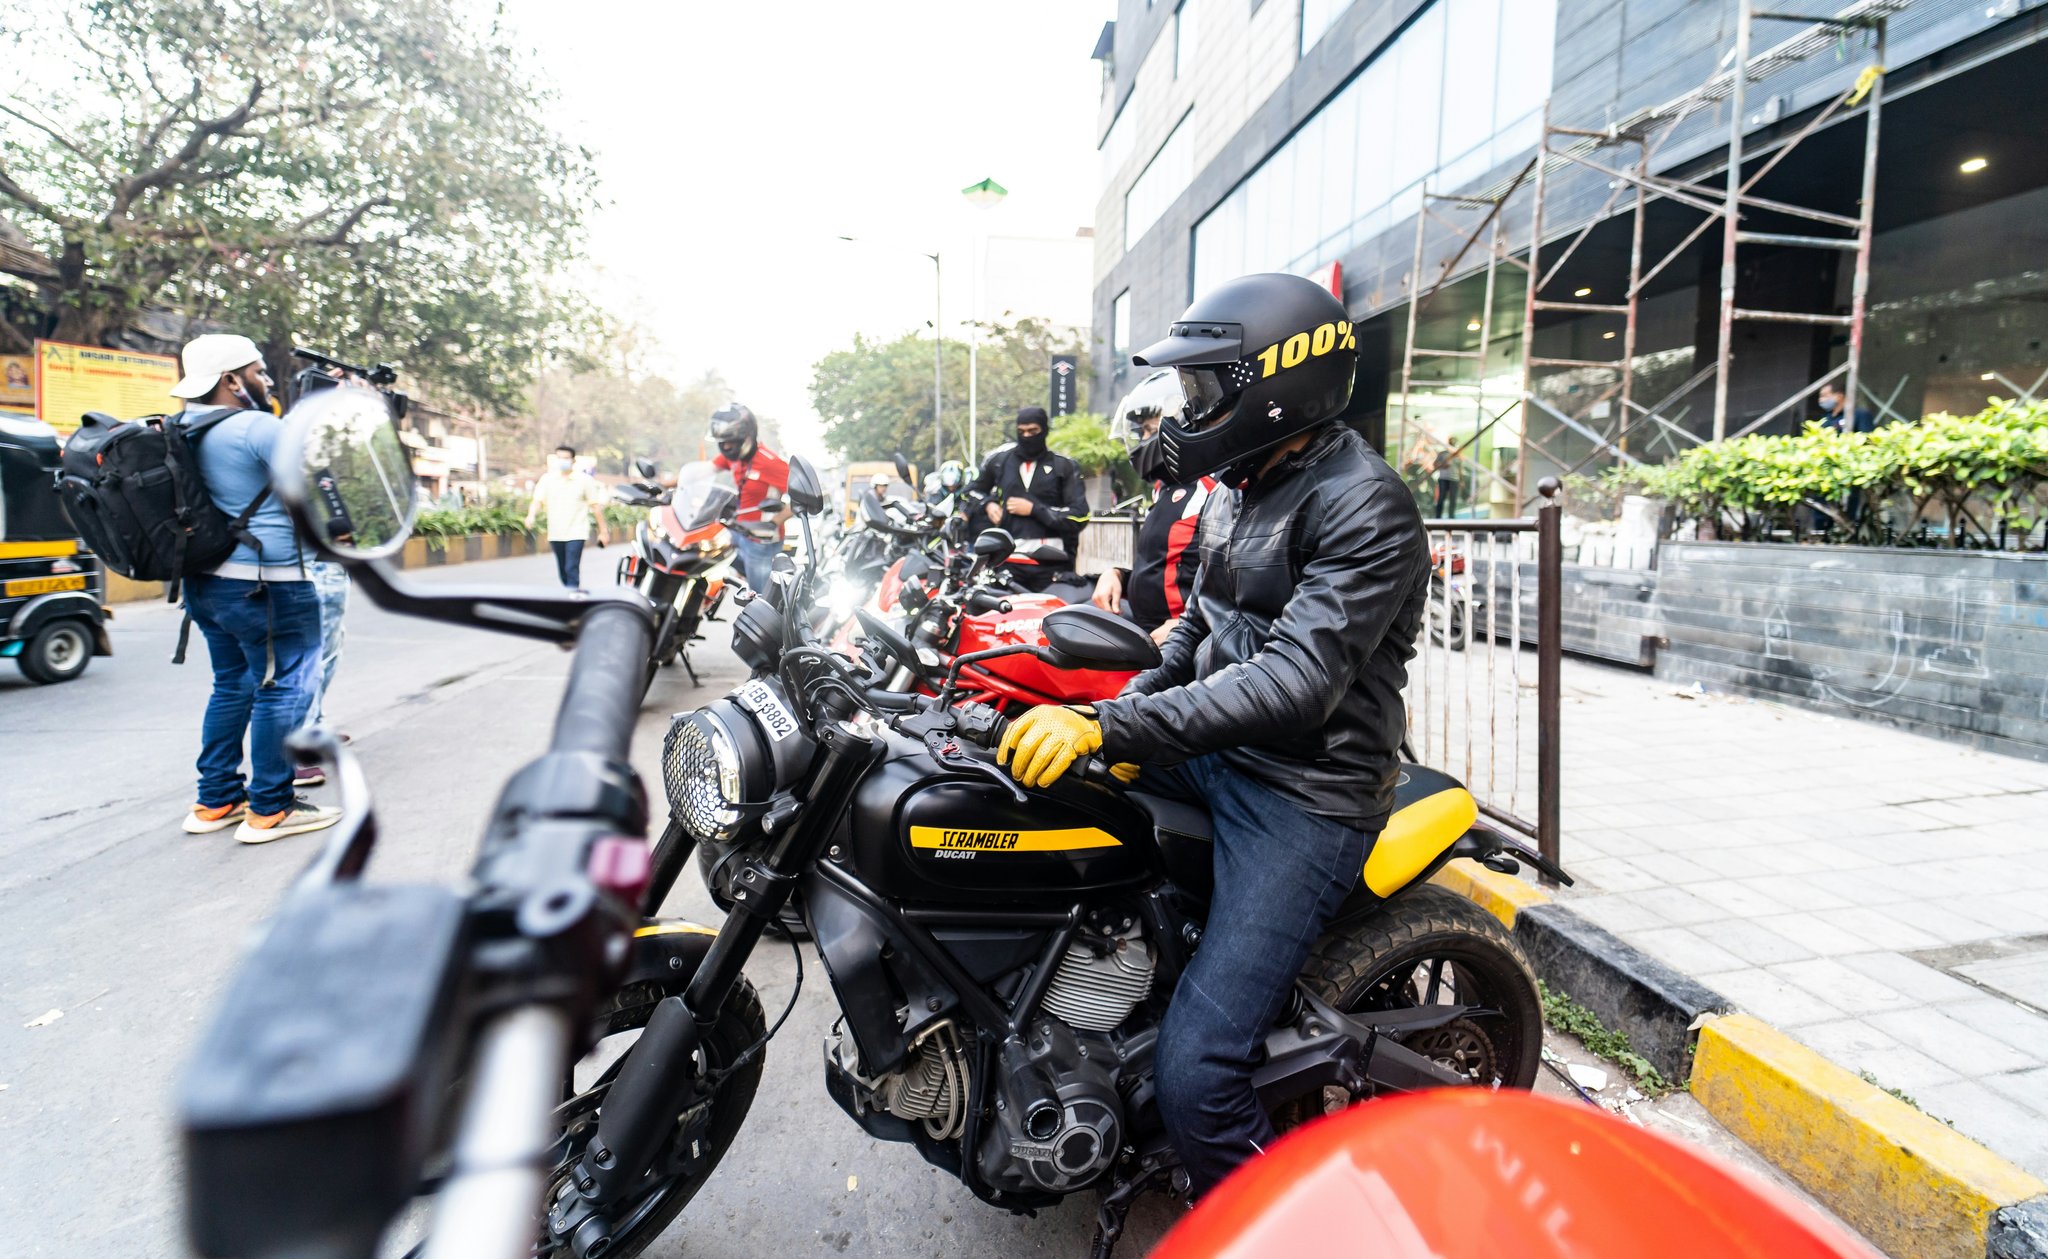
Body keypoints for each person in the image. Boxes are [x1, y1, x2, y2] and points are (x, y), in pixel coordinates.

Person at [996, 273, 1429, 1196]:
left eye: (1205, 389)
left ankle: (1276, 1219)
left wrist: (1115, 723)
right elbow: (1200, 626)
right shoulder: (1245, 478)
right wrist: (1110, 717)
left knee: (1199, 1079)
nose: (1190, 410)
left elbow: (1296, 684)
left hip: (1303, 791)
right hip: (1216, 750)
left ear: (1274, 385)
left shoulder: (1367, 505)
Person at [170, 333, 342, 844]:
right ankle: (271, 808)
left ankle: (215, 799)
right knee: (283, 687)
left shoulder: (176, 428)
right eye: (259, 372)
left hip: (205, 585)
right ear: (231, 380)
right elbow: (325, 492)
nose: (266, 381)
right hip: (268, 585)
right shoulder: (258, 427)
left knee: (233, 685)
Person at [1096, 369, 1222, 645]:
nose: (1143, 440)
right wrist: (1117, 575)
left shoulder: (1217, 490)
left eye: (1150, 431)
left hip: (1186, 642)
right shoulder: (1164, 489)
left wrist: (1188, 625)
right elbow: (1161, 568)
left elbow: (1234, 584)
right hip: (1145, 634)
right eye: (1142, 432)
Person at [967, 405, 1089, 591]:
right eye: (1021, 431)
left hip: (1052, 566)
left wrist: (1034, 509)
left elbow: (1079, 516)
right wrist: (988, 504)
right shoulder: (1000, 462)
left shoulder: (1064, 466)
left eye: (1033, 431)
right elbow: (971, 492)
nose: (1027, 437)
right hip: (1007, 565)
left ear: (1044, 430)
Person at [708, 403, 790, 593]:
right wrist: (664, 485)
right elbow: (704, 472)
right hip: (739, 533)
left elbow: (802, 499)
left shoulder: (771, 463)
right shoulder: (734, 456)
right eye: (722, 441)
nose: (726, 446)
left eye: (731, 441)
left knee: (759, 599)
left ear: (746, 437)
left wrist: (774, 522)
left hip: (761, 542)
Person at [525, 444, 609, 588]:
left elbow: (595, 507)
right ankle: (569, 593)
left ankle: (573, 600)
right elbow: (537, 501)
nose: (562, 461)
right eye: (559, 458)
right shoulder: (547, 480)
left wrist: (603, 531)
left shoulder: (584, 480)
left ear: (573, 461)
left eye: (566, 458)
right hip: (556, 532)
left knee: (571, 568)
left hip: (577, 531)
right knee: (563, 571)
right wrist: (531, 515)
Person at [1431, 448, 1459, 518]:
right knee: (1441, 498)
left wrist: (1461, 480)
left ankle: (1451, 516)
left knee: (1453, 499)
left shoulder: (1457, 454)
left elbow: (1459, 467)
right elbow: (1435, 464)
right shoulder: (1442, 453)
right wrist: (1443, 465)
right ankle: (1438, 516)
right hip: (1444, 478)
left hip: (1455, 479)